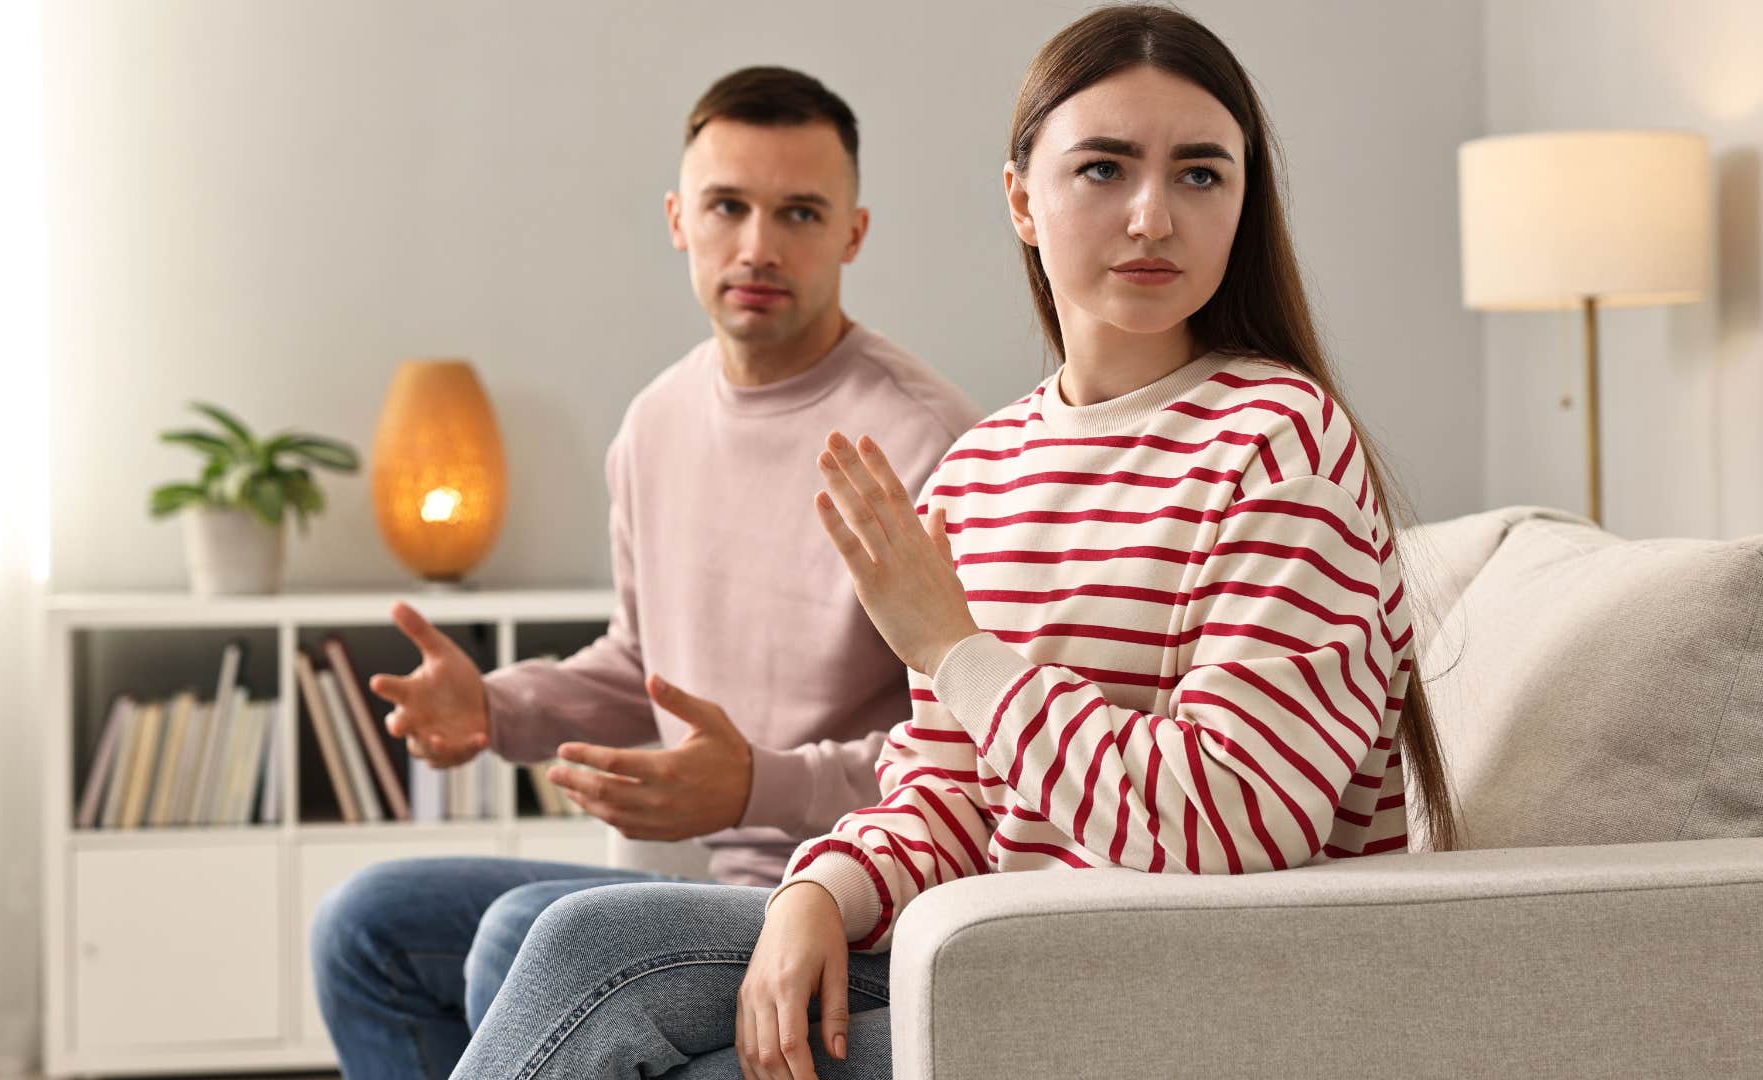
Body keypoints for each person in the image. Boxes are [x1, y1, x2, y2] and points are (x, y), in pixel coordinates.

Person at [450, 6, 1460, 1079]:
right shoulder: (984, 468)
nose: (1154, 215)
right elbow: (952, 793)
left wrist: (960, 652)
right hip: (1001, 946)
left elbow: (1230, 818)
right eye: (1105, 169)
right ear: (1023, 199)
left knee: (652, 1013)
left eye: (1201, 174)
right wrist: (817, 892)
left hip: (1188, 987)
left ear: (1243, 201)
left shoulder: (1282, 444)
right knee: (577, 939)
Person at [308, 65, 983, 1080]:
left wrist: (758, 783)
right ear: (679, 219)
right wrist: (493, 709)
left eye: (799, 213)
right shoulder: (656, 423)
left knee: (522, 935)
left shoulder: (926, 444)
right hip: (714, 885)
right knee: (366, 925)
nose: (758, 245)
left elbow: (975, 749)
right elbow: (641, 662)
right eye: (728, 207)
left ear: (852, 233)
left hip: (854, 894)